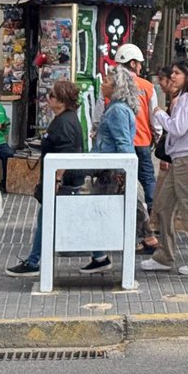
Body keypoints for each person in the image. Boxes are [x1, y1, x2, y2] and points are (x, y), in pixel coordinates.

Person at [6, 80, 85, 277]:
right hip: (64, 181)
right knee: (72, 219)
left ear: (61, 101)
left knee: (56, 220)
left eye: (52, 96)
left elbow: (65, 154)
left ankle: (34, 261)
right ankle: (99, 256)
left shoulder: (64, 122)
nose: (48, 99)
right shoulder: (65, 119)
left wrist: (57, 180)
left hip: (63, 183)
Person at [144, 60, 188, 275]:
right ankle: (165, 255)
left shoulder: (187, 99)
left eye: (176, 73)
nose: (172, 76)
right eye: (172, 72)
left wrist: (159, 113)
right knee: (164, 206)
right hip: (181, 159)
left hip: (185, 159)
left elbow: (178, 128)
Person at [78, 67, 140, 275]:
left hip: (111, 172)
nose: (102, 84)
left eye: (106, 81)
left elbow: (123, 143)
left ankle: (101, 256)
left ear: (115, 87)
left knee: (97, 213)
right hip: (111, 170)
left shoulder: (117, 111)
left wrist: (126, 172)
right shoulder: (115, 108)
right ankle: (99, 255)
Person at [114, 43, 158, 235]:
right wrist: (157, 135)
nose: (140, 67)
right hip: (142, 141)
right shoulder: (147, 87)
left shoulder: (110, 85)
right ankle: (153, 218)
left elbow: (98, 114)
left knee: (119, 182)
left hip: (118, 144)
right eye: (139, 63)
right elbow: (154, 118)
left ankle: (121, 218)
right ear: (132, 63)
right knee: (148, 180)